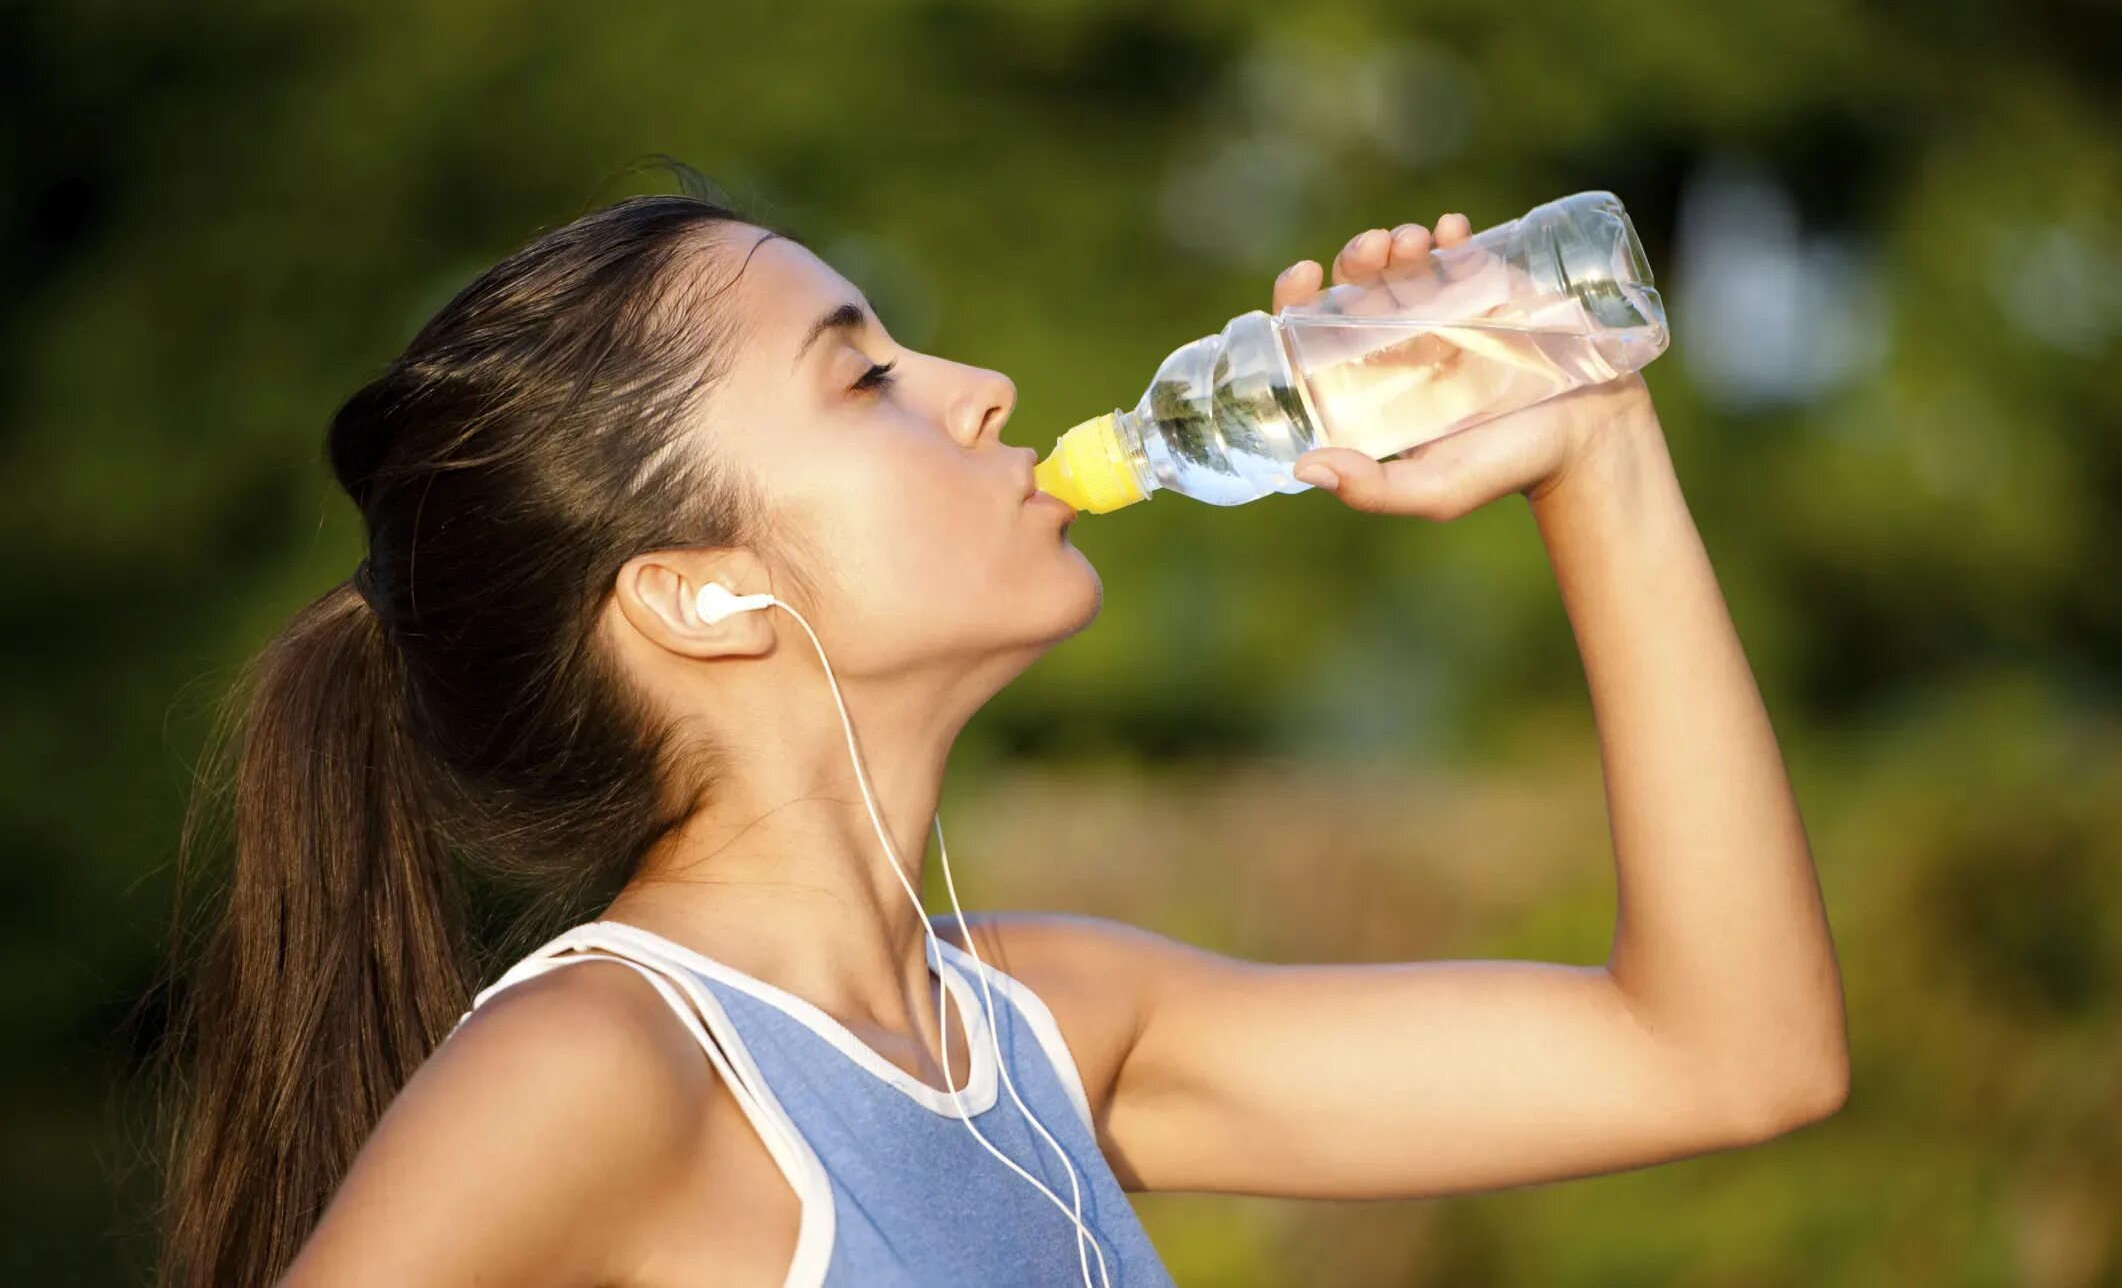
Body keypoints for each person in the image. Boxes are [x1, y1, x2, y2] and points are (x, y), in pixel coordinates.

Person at [149, 182, 1847, 1288]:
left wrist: (1595, 453)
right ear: (700, 595)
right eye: (862, 376)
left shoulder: (1049, 1032)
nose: (980, 389)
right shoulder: (602, 1068)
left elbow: (1733, 1054)